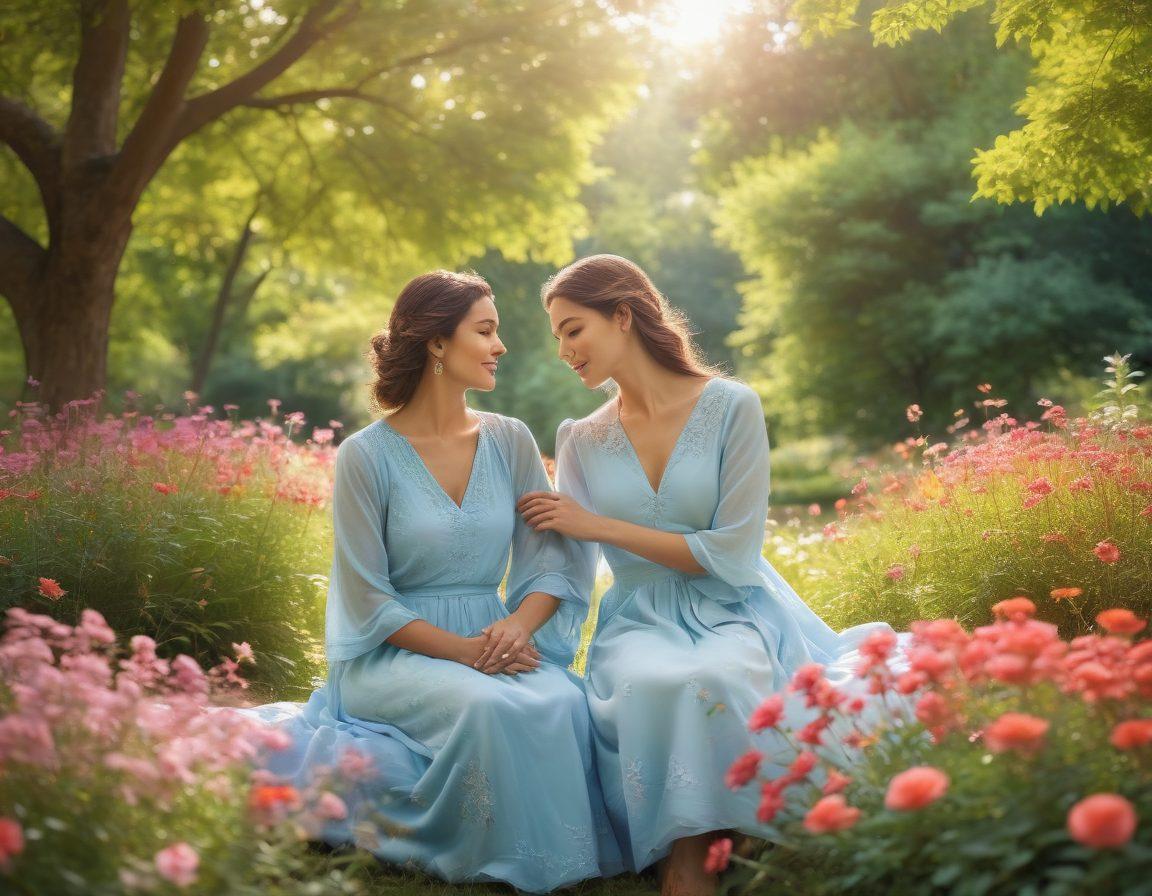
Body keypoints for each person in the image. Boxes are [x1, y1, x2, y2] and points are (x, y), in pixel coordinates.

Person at [518, 255, 905, 896]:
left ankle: (691, 864)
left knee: (717, 675)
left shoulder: (733, 407)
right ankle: (710, 846)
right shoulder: (580, 439)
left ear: (622, 315)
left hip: (735, 606)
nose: (563, 349)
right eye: (556, 335)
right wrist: (537, 640)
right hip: (638, 617)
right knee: (652, 681)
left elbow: (731, 553)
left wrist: (601, 526)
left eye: (572, 329)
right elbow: (570, 564)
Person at [250, 270, 622, 892]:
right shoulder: (364, 457)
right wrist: (466, 652)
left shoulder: (511, 440)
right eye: (486, 330)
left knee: (561, 700)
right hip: (395, 654)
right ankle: (488, 857)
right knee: (483, 707)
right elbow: (366, 598)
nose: (501, 345)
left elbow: (550, 559)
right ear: (437, 344)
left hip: (497, 638)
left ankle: (563, 863)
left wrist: (514, 628)